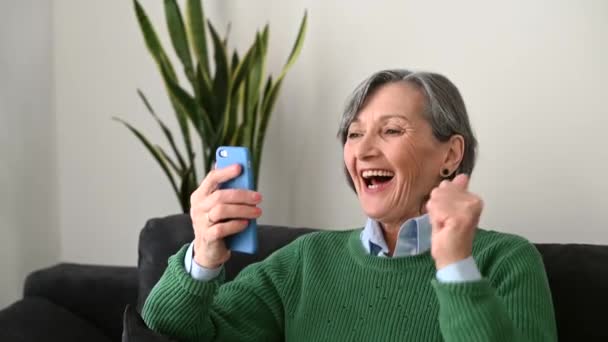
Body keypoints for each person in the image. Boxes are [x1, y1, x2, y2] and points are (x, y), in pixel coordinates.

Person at [142, 69, 557, 341]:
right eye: (354, 134)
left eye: (391, 130)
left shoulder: (507, 260)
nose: (364, 150)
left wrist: (454, 267)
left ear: (450, 155)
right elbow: (168, 329)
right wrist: (204, 257)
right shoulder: (306, 262)